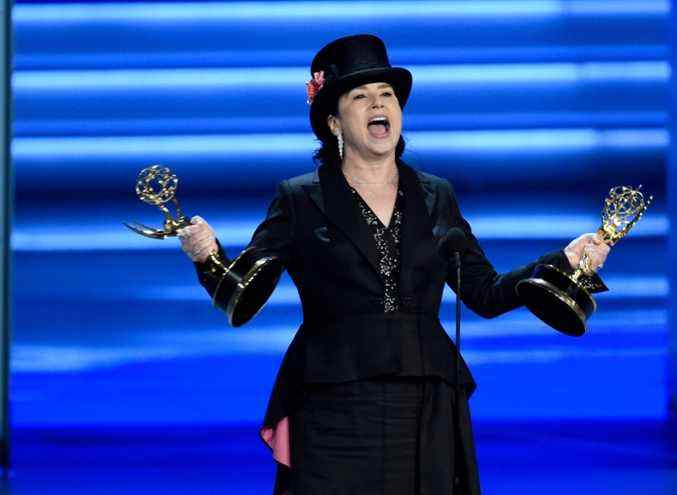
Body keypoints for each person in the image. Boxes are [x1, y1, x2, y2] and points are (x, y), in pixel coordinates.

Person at [178, 34, 610, 495]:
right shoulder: (300, 198)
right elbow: (246, 298)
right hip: (332, 405)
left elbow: (484, 293)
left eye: (386, 94)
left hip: (425, 402)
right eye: (360, 97)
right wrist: (208, 258)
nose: (377, 104)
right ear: (333, 122)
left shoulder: (436, 195)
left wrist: (561, 261)